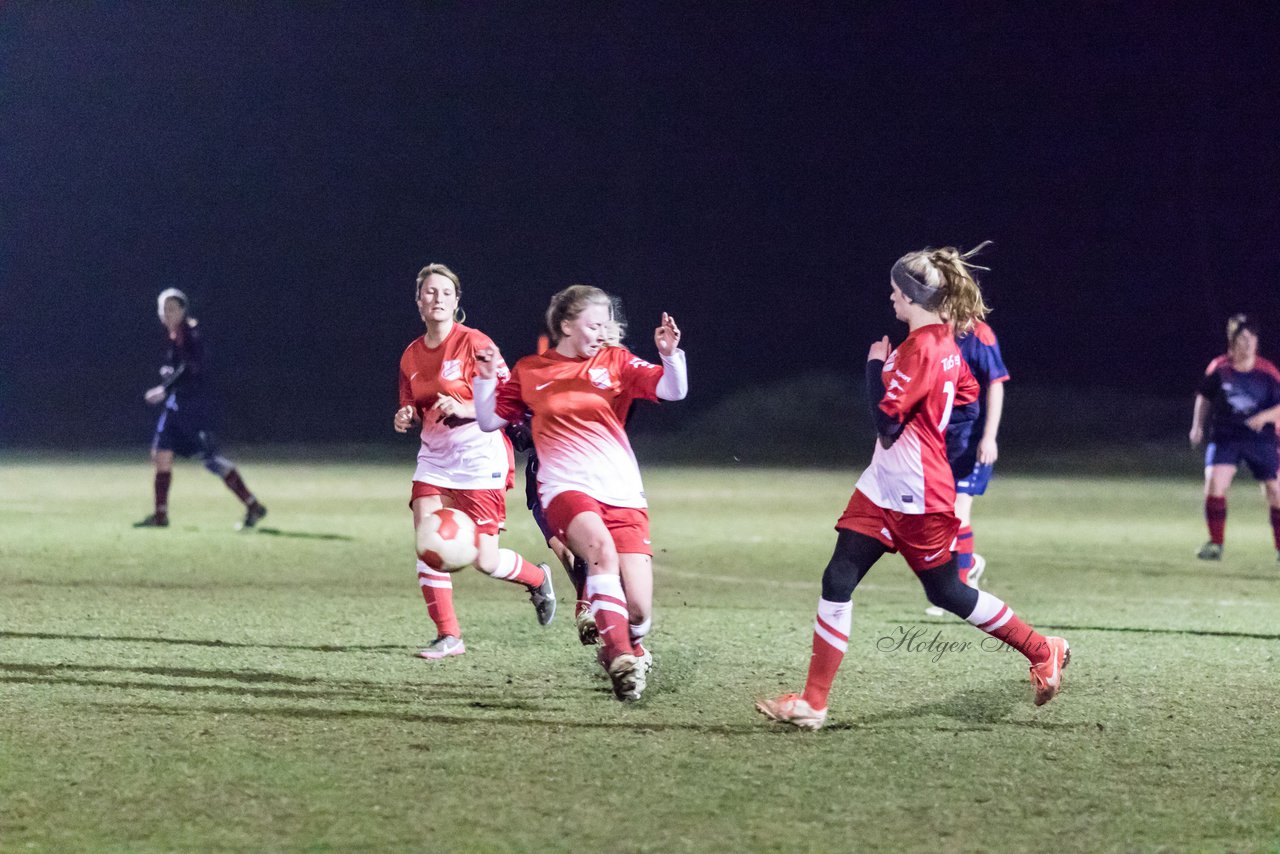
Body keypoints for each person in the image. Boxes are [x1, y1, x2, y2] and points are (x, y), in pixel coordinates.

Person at [756, 245, 1069, 730]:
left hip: (916, 494)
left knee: (946, 590)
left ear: (911, 295)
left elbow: (886, 424)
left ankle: (1041, 647)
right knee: (838, 577)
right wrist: (941, 437)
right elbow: (965, 399)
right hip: (884, 484)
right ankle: (813, 703)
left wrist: (873, 367)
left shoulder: (920, 348)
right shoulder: (945, 342)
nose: (891, 297)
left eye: (896, 291)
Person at [474, 285, 687, 701]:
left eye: (607, 323)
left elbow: (672, 390)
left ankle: (629, 643)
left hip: (622, 489)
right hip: (565, 487)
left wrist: (668, 354)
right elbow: (488, 420)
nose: (603, 331)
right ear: (567, 325)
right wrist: (484, 381)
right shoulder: (531, 369)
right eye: (594, 324)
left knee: (640, 610)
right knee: (599, 551)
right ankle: (621, 658)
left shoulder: (618, 361)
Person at [394, 264, 556, 660]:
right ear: (418, 301)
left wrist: (466, 407)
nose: (437, 299)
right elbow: (410, 404)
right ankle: (449, 636)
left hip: (480, 457)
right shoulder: (411, 354)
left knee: (485, 559)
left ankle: (537, 578)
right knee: (427, 541)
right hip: (435, 459)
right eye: (430, 292)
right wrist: (405, 416)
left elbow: (508, 401)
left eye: (446, 293)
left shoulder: (475, 343)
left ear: (456, 302)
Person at [134, 288, 267, 530]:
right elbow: (180, 368)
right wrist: (169, 380)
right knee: (161, 455)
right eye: (163, 308)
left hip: (193, 409)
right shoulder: (175, 337)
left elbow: (190, 367)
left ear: (184, 311)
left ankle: (253, 505)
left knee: (211, 461)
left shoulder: (191, 334)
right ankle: (160, 516)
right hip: (176, 406)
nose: (167, 313)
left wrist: (165, 387)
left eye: (172, 308)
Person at [924, 313, 1009, 616]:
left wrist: (989, 437)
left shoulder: (980, 334)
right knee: (938, 515)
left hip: (972, 442)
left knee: (959, 512)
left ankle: (957, 591)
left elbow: (996, 385)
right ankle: (968, 565)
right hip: (943, 440)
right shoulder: (933, 333)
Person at [1189, 314, 1280, 561]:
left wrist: (1264, 418)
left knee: (1276, 492)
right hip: (1226, 436)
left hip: (1261, 439)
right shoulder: (1219, 368)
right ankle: (1215, 544)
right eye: (1243, 338)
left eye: (1252, 338)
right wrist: (1197, 426)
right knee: (1214, 483)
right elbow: (1204, 396)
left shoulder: (1268, 372)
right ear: (1232, 342)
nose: (1249, 343)